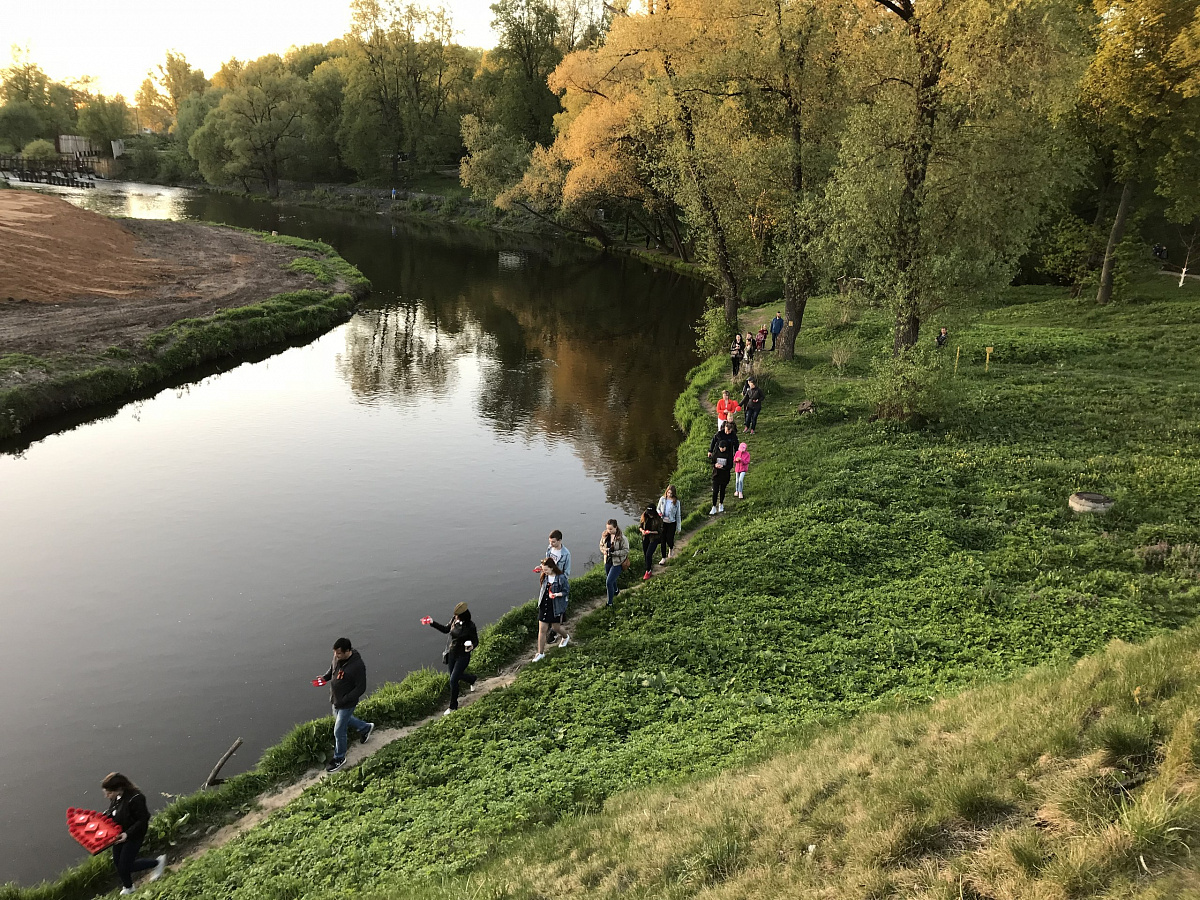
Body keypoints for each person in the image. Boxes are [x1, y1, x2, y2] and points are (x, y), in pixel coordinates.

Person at [101, 773, 166, 895]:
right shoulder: (116, 797)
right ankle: (128, 887)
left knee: (125, 866)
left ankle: (157, 863)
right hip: (119, 835)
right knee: (118, 862)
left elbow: (143, 819)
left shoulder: (136, 798)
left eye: (109, 793)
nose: (107, 796)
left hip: (134, 835)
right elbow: (113, 812)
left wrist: (127, 834)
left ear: (119, 788)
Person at [316, 637, 372, 772]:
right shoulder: (337, 657)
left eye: (339, 653)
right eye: (335, 652)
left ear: (348, 651)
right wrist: (325, 677)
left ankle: (339, 758)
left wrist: (346, 698)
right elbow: (333, 669)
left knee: (339, 730)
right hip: (335, 699)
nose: (336, 655)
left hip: (347, 703)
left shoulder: (357, 666)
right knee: (344, 721)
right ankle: (365, 728)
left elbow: (361, 688)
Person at [428, 602, 478, 714]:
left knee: (453, 680)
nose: (455, 617)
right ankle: (472, 679)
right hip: (452, 654)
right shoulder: (454, 621)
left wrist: (471, 647)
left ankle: (453, 706)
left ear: (463, 615)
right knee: (455, 677)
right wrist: (432, 622)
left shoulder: (470, 626)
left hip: (463, 655)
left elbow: (476, 641)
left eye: (457, 615)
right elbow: (446, 629)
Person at [533, 557, 570, 661]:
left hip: (555, 606)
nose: (544, 572)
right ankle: (540, 653)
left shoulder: (561, 577)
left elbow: (566, 591)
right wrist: (540, 568)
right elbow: (541, 569)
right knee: (542, 629)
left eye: (546, 570)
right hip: (544, 604)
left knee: (556, 627)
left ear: (552, 568)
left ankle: (565, 637)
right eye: (543, 570)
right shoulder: (545, 575)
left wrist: (557, 594)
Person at [709, 421, 737, 514]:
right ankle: (713, 506)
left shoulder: (729, 454)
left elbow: (730, 466)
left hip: (724, 475)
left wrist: (723, 466)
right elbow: (712, 461)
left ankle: (721, 504)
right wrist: (715, 465)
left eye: (729, 431)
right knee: (715, 491)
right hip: (716, 475)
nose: (728, 432)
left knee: (722, 490)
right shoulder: (719, 435)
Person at [599, 519, 629, 606]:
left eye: (611, 529)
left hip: (618, 563)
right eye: (608, 529)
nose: (609, 531)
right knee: (611, 578)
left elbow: (626, 551)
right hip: (607, 561)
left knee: (609, 582)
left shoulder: (622, 538)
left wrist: (614, 553)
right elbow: (601, 545)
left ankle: (610, 603)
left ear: (616, 527)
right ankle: (616, 591)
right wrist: (604, 551)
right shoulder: (605, 535)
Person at [656, 485, 682, 563]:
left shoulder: (676, 502)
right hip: (663, 522)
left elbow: (678, 515)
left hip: (671, 523)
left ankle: (671, 548)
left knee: (669, 539)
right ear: (666, 492)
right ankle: (663, 558)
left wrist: (679, 527)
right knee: (663, 540)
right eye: (668, 492)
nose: (669, 495)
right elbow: (658, 508)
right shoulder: (662, 499)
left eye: (671, 493)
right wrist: (659, 512)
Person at [638, 506, 662, 580]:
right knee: (646, 554)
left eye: (651, 514)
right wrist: (642, 531)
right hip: (645, 538)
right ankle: (648, 567)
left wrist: (650, 532)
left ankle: (648, 571)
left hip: (654, 539)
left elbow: (660, 531)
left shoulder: (658, 519)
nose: (650, 515)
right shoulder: (644, 517)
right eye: (649, 514)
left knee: (649, 554)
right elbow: (640, 526)